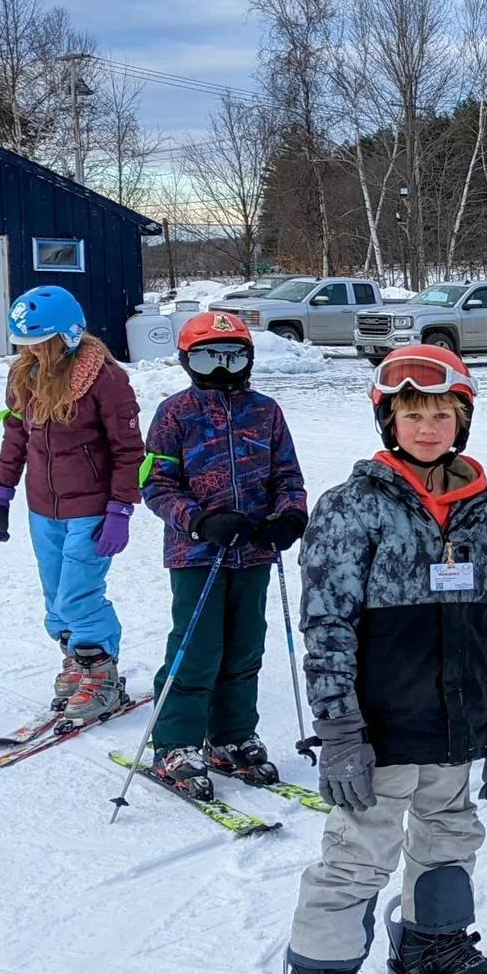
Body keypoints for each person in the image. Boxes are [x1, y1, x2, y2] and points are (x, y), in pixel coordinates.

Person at [281, 344, 487, 974]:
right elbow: (325, 626)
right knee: (359, 854)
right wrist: (340, 731)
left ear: (462, 421)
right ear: (389, 419)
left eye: (441, 413)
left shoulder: (485, 510)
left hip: (456, 720)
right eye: (413, 413)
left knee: (451, 835)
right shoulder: (349, 507)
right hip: (379, 724)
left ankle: (433, 948)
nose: (427, 426)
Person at [139, 312, 307, 798]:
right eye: (208, 356)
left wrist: (290, 516)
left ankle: (231, 736)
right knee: (197, 648)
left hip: (254, 552)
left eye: (233, 356)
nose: (222, 366)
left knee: (245, 646)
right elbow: (155, 482)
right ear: (188, 361)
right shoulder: (175, 413)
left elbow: (287, 477)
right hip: (198, 554)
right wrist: (196, 519)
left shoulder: (266, 411)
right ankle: (175, 741)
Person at [0, 285, 143, 723]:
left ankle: (103, 676)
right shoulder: (25, 376)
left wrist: (120, 509)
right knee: (56, 597)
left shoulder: (105, 379)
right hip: (43, 508)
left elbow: (129, 450)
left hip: (91, 508)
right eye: (25, 344)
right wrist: (2, 489)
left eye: (39, 342)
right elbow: (16, 436)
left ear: (67, 336)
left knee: (79, 594)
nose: (31, 351)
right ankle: (79, 661)